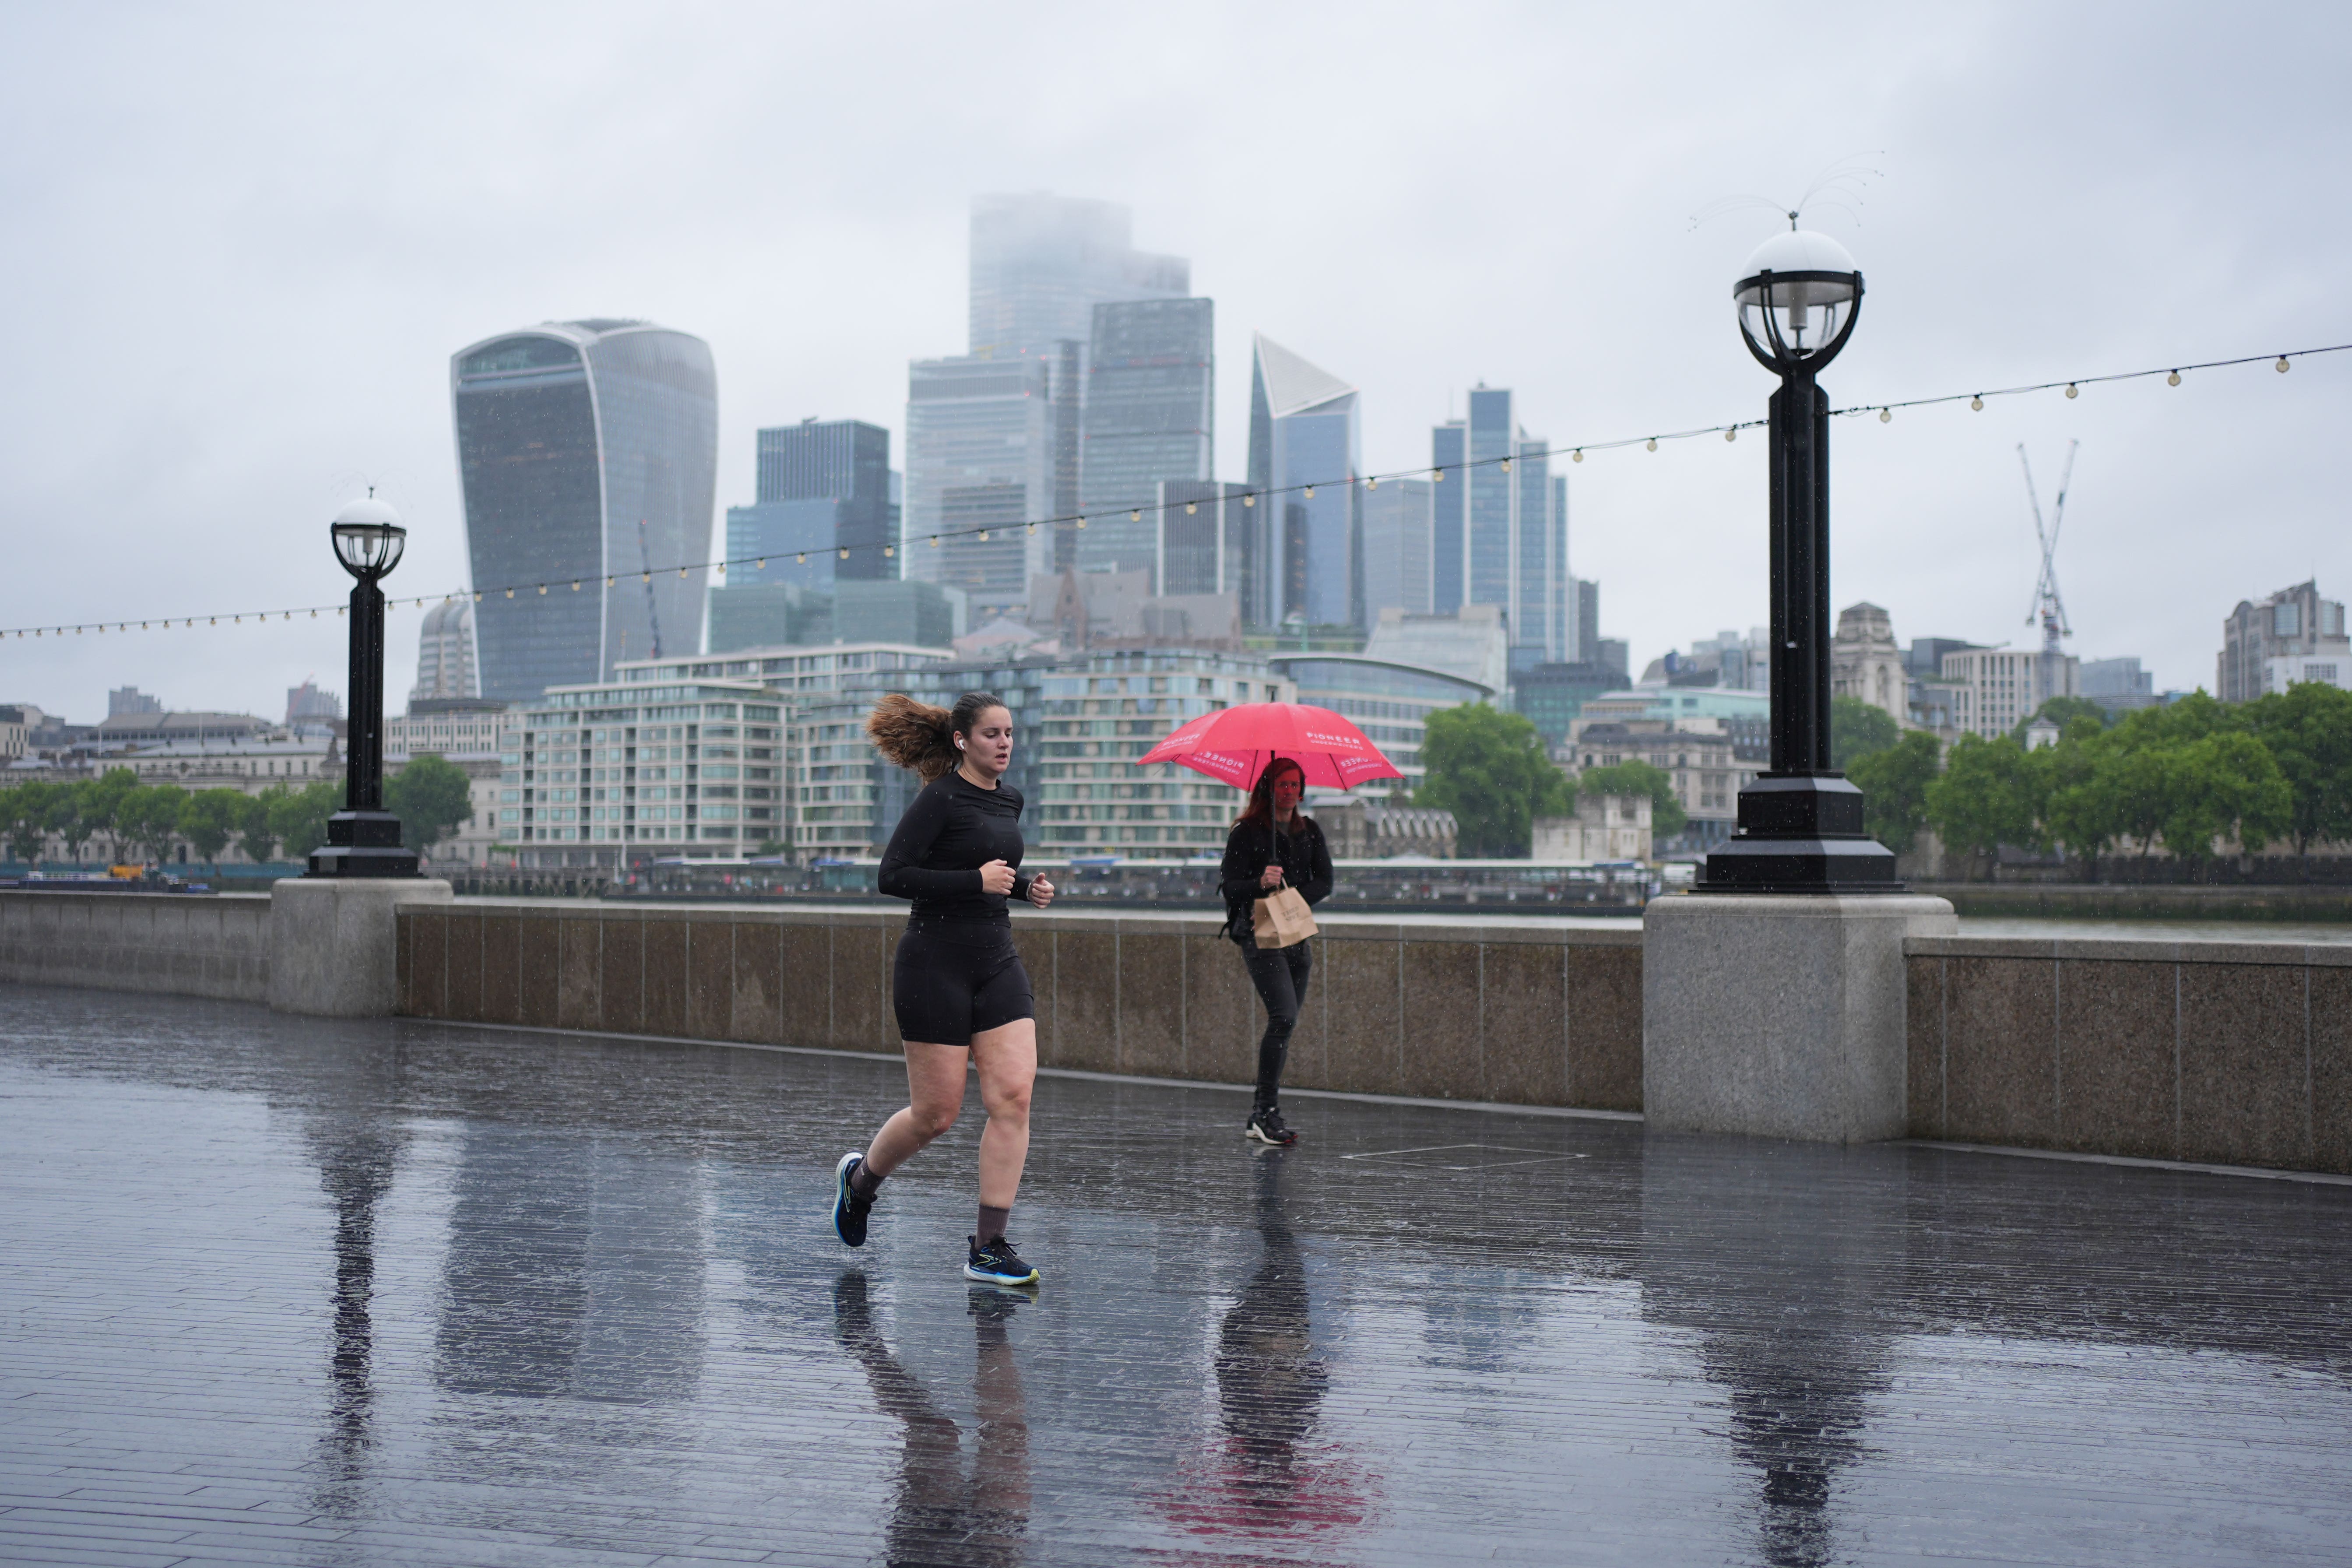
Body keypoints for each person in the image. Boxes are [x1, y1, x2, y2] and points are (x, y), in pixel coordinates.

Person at [832, 691, 1055, 1286]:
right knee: (936, 1114)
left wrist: (1020, 887)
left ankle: (989, 1245)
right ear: (961, 740)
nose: (1004, 743)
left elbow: (988, 870)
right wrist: (975, 880)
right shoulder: (937, 799)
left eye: (1009, 733)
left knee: (1014, 1097)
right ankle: (860, 1183)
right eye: (991, 734)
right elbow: (892, 876)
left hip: (997, 960)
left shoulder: (1010, 798)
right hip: (933, 963)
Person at [1218, 757, 1332, 1146]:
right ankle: (1266, 1111)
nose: (1289, 792)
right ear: (1268, 789)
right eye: (1282, 785)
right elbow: (1229, 887)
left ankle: (1261, 1112)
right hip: (1260, 934)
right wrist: (1260, 882)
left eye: (1295, 785)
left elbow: (1326, 882)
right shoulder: (1247, 831)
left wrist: (1291, 895)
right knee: (1282, 1016)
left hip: (1296, 933)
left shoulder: (1310, 830)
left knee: (1286, 1024)